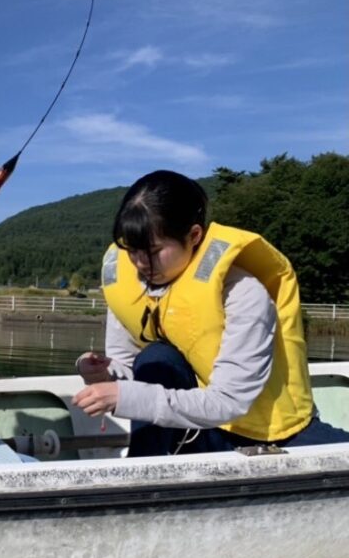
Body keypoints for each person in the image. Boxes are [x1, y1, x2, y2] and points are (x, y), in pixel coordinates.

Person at [73, 169, 349, 456]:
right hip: (197, 429)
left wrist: (124, 396)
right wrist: (100, 373)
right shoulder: (129, 283)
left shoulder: (243, 292)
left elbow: (229, 401)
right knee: (157, 359)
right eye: (132, 249)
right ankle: (141, 472)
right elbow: (130, 370)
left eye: (153, 251)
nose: (141, 263)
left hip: (269, 433)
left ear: (194, 235)